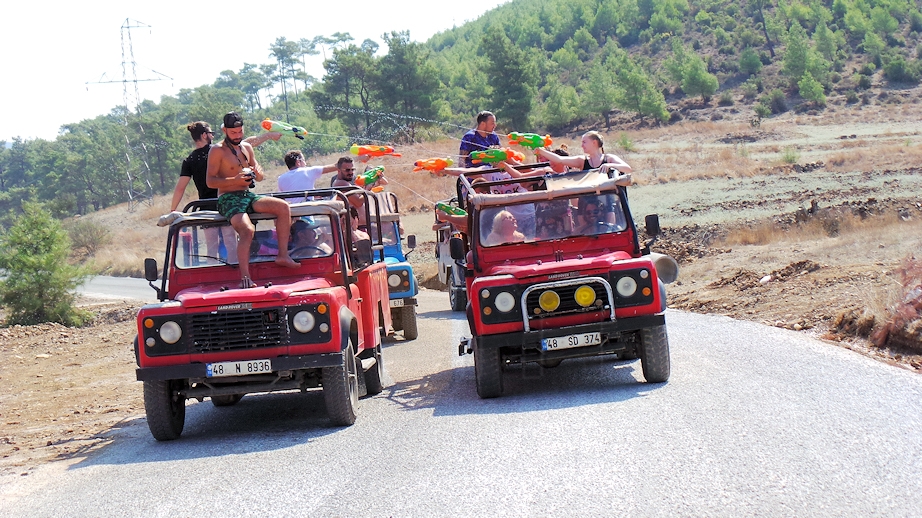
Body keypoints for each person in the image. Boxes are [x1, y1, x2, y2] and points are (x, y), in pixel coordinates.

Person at [206, 111, 299, 288]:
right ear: (225, 130)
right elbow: (210, 181)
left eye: (240, 132)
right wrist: (235, 180)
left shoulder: (246, 147)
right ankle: (245, 278)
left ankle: (282, 255)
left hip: (247, 195)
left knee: (282, 207)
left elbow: (260, 175)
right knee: (247, 230)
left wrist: (257, 173)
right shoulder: (217, 150)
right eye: (233, 133)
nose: (238, 136)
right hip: (228, 198)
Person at [536, 131, 632, 186]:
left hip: (608, 202)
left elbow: (627, 169)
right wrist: (541, 151)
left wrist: (609, 165)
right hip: (588, 204)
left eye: (584, 142)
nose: (582, 146)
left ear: (594, 142)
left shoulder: (609, 158)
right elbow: (560, 160)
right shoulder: (582, 161)